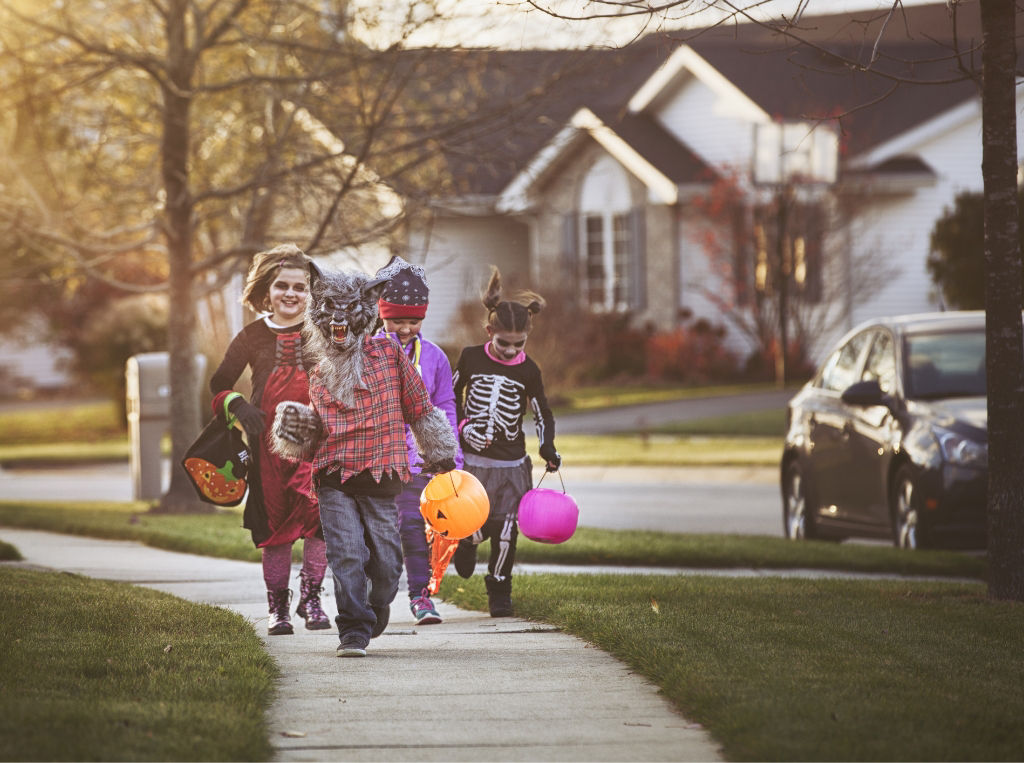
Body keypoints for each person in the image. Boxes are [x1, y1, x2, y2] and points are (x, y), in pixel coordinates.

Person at [269, 262, 458, 657]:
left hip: (382, 475)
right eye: (330, 311)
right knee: (347, 554)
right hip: (334, 476)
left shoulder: (388, 353)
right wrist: (296, 429)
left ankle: (376, 606)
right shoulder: (319, 367)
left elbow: (420, 407)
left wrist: (440, 454)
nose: (339, 321)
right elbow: (318, 428)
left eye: (347, 311)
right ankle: (353, 630)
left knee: (388, 566)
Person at [209, 244, 330, 636]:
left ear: (311, 293)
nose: (291, 294)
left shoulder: (323, 330)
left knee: (319, 522)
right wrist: (238, 406)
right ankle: (277, 607)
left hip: (317, 443)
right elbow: (218, 383)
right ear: (267, 290)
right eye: (282, 286)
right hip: (267, 449)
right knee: (274, 527)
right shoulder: (252, 336)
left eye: (300, 287)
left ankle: (311, 599)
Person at [451, 267, 560, 617]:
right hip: (473, 463)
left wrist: (548, 448)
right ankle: (466, 542)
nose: (512, 351)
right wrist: (462, 428)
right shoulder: (470, 358)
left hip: (512, 465)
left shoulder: (529, 370)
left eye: (519, 344)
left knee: (506, 529)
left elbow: (542, 411)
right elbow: (449, 399)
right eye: (504, 343)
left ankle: (499, 588)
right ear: (489, 332)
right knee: (474, 523)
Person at [373, 256, 463, 625]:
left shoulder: (436, 358)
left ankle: (420, 596)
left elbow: (445, 406)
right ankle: (374, 597)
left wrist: (449, 458)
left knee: (413, 528)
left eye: (413, 320)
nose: (406, 328)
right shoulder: (368, 351)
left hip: (417, 465)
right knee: (377, 537)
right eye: (397, 320)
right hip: (375, 462)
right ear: (382, 315)